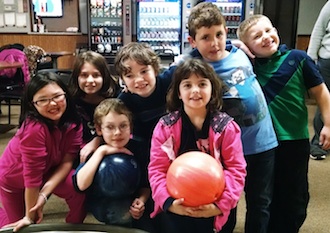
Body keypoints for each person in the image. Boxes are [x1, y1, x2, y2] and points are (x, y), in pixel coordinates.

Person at [186, 3, 278, 233]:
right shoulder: (196, 69)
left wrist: (236, 43)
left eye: (219, 34)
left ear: (226, 31)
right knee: (228, 201)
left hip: (263, 143)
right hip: (228, 151)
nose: (214, 43)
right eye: (205, 37)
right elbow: (168, 79)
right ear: (193, 41)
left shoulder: (241, 53)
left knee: (261, 201)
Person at [237, 14, 330, 233]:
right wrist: (239, 46)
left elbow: (321, 93)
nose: (266, 37)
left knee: (294, 194)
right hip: (260, 145)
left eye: (269, 31)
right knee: (262, 193)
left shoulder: (298, 59)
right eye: (256, 36)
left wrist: (327, 124)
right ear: (248, 47)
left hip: (294, 140)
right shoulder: (247, 66)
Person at [148, 58, 246, 233]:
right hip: (177, 205)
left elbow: (236, 169)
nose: (195, 90)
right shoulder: (165, 127)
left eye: (202, 84)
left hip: (215, 206)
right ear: (178, 92)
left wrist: (220, 205)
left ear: (212, 89)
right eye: (187, 85)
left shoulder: (227, 128)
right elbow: (157, 169)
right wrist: (169, 203)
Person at [0, 71, 86, 232]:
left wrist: (44, 195)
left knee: (77, 189)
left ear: (66, 95)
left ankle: (73, 228)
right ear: (33, 104)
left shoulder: (73, 121)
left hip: (48, 169)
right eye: (43, 100)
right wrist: (28, 216)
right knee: (20, 227)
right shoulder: (33, 128)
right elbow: (31, 177)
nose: (52, 104)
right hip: (15, 180)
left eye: (56, 96)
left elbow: (68, 161)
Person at [114, 42, 176, 232]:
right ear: (122, 80)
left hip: (174, 151)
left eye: (143, 71)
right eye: (130, 75)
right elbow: (109, 126)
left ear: (156, 69)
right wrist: (98, 144)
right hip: (145, 153)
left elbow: (196, 58)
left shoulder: (169, 80)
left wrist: (235, 44)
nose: (138, 80)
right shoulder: (124, 100)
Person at [72, 98, 150, 230]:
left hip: (131, 197)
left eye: (123, 126)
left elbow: (146, 184)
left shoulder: (139, 148)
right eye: (110, 127)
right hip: (103, 202)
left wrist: (141, 200)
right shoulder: (93, 150)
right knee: (122, 212)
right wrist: (102, 151)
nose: (117, 132)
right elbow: (81, 185)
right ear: (99, 129)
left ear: (130, 127)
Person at [69, 51, 120, 162]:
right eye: (84, 75)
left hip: (113, 147)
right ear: (76, 77)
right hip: (80, 153)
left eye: (96, 75)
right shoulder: (71, 101)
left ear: (104, 76)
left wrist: (98, 140)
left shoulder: (116, 97)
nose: (90, 80)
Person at [307, 0, 330, 160]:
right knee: (325, 100)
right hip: (327, 59)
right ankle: (318, 144)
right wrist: (310, 59)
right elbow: (319, 30)